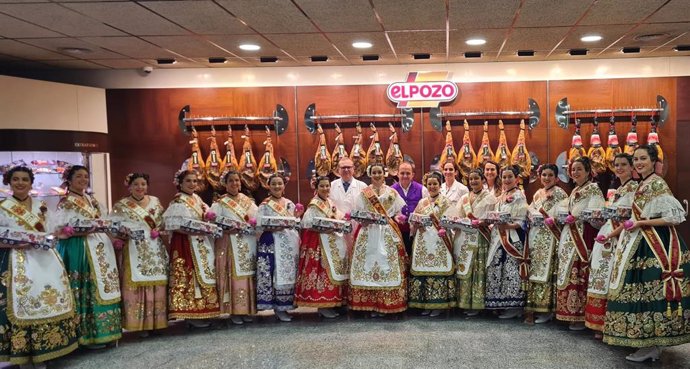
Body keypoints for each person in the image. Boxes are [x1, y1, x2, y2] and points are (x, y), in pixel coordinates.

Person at [604, 145, 690, 362]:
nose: (639, 162)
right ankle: (645, 342)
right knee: (638, 292)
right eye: (636, 159)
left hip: (654, 244)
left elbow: (673, 217)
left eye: (643, 158)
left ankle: (652, 344)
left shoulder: (657, 183)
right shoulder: (643, 183)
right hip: (639, 240)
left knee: (648, 292)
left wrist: (641, 222)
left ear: (654, 161)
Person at [0, 166, 77, 368]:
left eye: (25, 179)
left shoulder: (41, 205)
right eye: (15, 179)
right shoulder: (2, 206)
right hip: (17, 261)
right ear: (8, 182)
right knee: (24, 303)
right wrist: (18, 243)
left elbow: (52, 231)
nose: (20, 183)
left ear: (31, 182)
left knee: (47, 301)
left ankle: (46, 350)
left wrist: (62, 232)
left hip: (45, 260)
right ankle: (23, 355)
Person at [53, 165, 122, 348]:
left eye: (85, 176)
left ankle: (105, 332)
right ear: (69, 179)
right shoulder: (66, 201)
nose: (83, 180)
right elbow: (60, 229)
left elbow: (104, 221)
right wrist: (70, 231)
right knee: (86, 285)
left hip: (99, 246)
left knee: (103, 284)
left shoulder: (92, 200)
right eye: (79, 177)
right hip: (80, 247)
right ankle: (86, 335)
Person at [585, 154, 637, 337]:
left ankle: (610, 324)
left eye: (624, 164)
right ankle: (599, 323)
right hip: (607, 237)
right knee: (601, 279)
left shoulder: (635, 188)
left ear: (632, 167)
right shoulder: (618, 188)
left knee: (610, 280)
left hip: (620, 239)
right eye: (617, 165)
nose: (620, 168)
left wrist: (610, 234)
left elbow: (632, 219)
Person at [112, 172, 168, 336]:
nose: (140, 187)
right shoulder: (121, 205)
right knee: (137, 283)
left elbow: (163, 222)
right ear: (129, 186)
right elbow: (115, 227)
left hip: (154, 247)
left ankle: (157, 322)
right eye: (136, 184)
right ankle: (139, 324)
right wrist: (121, 236)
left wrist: (159, 230)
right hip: (134, 249)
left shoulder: (155, 201)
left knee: (156, 282)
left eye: (143, 184)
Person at [349, 163, 408, 316]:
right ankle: (369, 304)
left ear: (384, 174)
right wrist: (364, 221)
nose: (376, 175)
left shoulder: (392, 192)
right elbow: (358, 214)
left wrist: (399, 218)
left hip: (387, 232)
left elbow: (396, 213)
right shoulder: (363, 193)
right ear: (370, 174)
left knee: (387, 265)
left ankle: (386, 303)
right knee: (367, 265)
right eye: (374, 172)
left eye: (379, 172)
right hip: (368, 232)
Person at [554, 157, 605, 330]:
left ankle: (580, 315)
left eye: (579, 169)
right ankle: (570, 313)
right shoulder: (575, 189)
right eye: (573, 169)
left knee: (579, 272)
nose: (575, 172)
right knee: (569, 271)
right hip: (570, 234)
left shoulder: (593, 189)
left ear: (588, 171)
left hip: (583, 235)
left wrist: (578, 217)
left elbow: (597, 216)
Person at [164, 170, 220, 327]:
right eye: (188, 181)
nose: (192, 184)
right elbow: (173, 225)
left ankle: (202, 310)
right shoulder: (178, 201)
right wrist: (195, 230)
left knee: (204, 273)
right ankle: (190, 313)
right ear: (180, 184)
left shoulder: (197, 199)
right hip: (185, 242)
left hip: (201, 240)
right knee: (190, 275)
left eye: (194, 181)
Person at [295, 176, 349, 318]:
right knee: (322, 271)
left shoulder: (330, 202)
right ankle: (322, 305)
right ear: (316, 188)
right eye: (322, 186)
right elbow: (306, 224)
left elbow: (338, 216)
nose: (325, 189)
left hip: (333, 240)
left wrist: (344, 219)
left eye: (327, 186)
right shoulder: (314, 205)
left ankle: (333, 302)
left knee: (334, 270)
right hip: (320, 243)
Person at [210, 170, 258, 325]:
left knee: (248, 275)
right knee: (233, 275)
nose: (235, 183)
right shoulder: (219, 203)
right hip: (229, 243)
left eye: (237, 180)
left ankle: (247, 308)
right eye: (231, 181)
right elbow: (212, 226)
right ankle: (234, 310)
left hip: (247, 242)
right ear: (225, 183)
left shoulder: (248, 201)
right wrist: (224, 230)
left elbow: (257, 220)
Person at [524, 164, 568, 325]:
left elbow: (563, 215)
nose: (546, 178)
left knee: (548, 271)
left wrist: (552, 219)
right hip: (536, 235)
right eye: (544, 175)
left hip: (551, 236)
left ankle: (548, 309)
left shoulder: (561, 193)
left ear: (556, 178)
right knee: (535, 271)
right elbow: (530, 210)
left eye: (550, 175)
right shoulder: (537, 194)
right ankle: (536, 306)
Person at [408, 171, 456, 317]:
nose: (432, 186)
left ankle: (439, 304)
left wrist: (444, 227)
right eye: (429, 184)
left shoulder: (446, 202)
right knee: (424, 269)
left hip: (439, 241)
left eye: (435, 183)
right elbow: (413, 220)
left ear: (440, 185)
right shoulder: (422, 202)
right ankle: (425, 303)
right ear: (426, 185)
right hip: (423, 240)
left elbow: (451, 221)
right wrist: (416, 225)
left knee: (438, 270)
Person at [256, 174, 302, 322]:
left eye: (279, 184)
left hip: (289, 243)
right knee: (274, 273)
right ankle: (277, 307)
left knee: (289, 273)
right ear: (269, 186)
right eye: (274, 184)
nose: (277, 186)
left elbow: (296, 222)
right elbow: (258, 225)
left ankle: (286, 305)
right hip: (272, 242)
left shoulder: (289, 203)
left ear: (284, 186)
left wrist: (297, 217)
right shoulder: (264, 205)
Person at [485, 165, 528, 319]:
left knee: (511, 270)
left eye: (510, 177)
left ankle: (515, 306)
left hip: (512, 237)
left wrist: (508, 225)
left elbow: (522, 219)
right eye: (504, 177)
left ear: (517, 179)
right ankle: (501, 303)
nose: (507, 180)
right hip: (499, 236)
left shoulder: (519, 195)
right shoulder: (503, 194)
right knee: (497, 267)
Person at [454, 169, 496, 316]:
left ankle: (478, 304)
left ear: (482, 180)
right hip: (466, 238)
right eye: (471, 179)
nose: (473, 181)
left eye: (476, 179)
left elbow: (493, 219)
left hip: (481, 238)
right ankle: (465, 302)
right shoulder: (464, 198)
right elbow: (457, 216)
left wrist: (483, 222)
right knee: (466, 269)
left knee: (478, 270)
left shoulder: (490, 198)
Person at [391, 161, 429, 258]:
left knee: (416, 257)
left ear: (413, 175)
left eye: (408, 173)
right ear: (397, 173)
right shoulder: (391, 190)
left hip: (417, 232)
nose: (405, 176)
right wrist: (395, 217)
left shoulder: (422, 189)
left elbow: (428, 210)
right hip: (397, 231)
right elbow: (388, 212)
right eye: (402, 173)